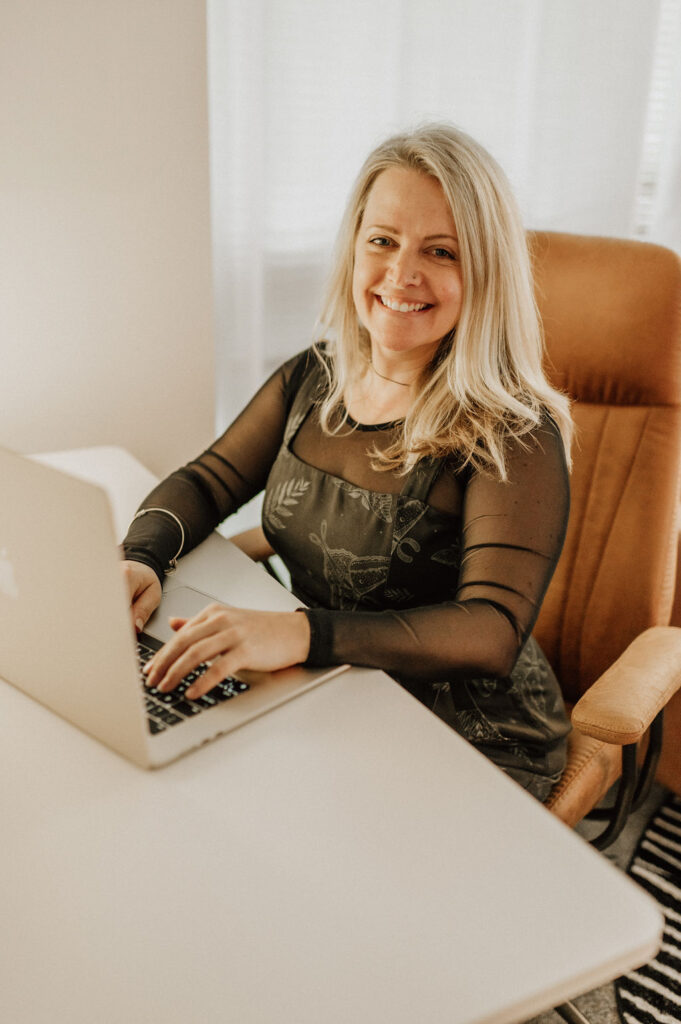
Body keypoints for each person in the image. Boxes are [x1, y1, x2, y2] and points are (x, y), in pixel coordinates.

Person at [122, 123, 573, 801]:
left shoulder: (510, 431)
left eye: (440, 251)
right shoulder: (313, 377)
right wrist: (139, 559)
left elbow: (489, 630)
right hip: (336, 686)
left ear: (485, 271)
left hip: (473, 736)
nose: (402, 274)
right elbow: (206, 481)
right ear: (353, 249)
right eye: (382, 241)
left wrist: (301, 634)